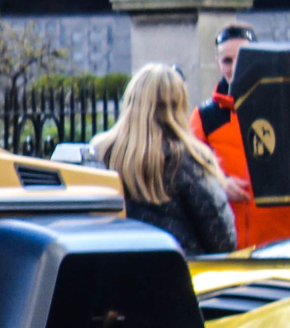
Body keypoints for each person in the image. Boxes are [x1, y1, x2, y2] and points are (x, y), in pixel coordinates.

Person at [96, 64, 238, 255]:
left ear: (130, 101)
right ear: (179, 105)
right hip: (177, 273)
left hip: (115, 272)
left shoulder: (100, 153)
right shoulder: (189, 159)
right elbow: (223, 240)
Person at [193, 22, 290, 248]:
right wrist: (219, 185)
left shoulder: (286, 106)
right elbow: (187, 174)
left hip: (284, 245)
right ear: (217, 63)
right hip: (228, 247)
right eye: (227, 60)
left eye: (241, 57)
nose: (234, 67)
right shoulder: (204, 117)